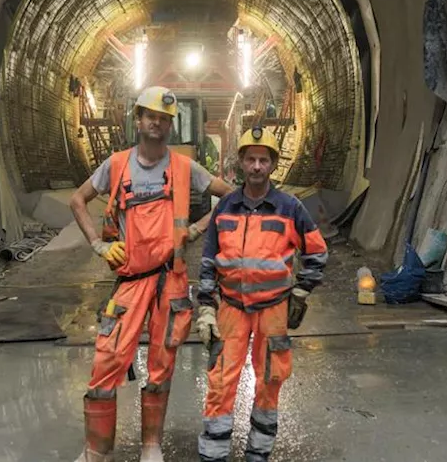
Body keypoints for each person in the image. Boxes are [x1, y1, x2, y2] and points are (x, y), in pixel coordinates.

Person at [69, 85, 233, 462]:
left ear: (170, 126)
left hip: (169, 281)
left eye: (164, 119)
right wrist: (98, 244)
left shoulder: (183, 167)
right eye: (151, 116)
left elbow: (230, 195)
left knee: (162, 364)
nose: (157, 123)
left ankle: (151, 446)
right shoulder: (116, 165)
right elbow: (77, 200)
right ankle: (96, 450)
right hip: (129, 283)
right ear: (138, 119)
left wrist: (194, 229)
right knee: (107, 360)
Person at [194, 127, 329, 462]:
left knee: (270, 381)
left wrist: (299, 291)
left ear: (272, 165)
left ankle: (259, 454)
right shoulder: (225, 207)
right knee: (221, 382)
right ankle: (213, 455)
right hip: (232, 308)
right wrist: (207, 309)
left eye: (263, 160)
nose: (256, 166)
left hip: (273, 309)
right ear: (241, 162)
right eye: (250, 159)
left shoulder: (289, 208)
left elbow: (317, 252)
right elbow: (209, 260)